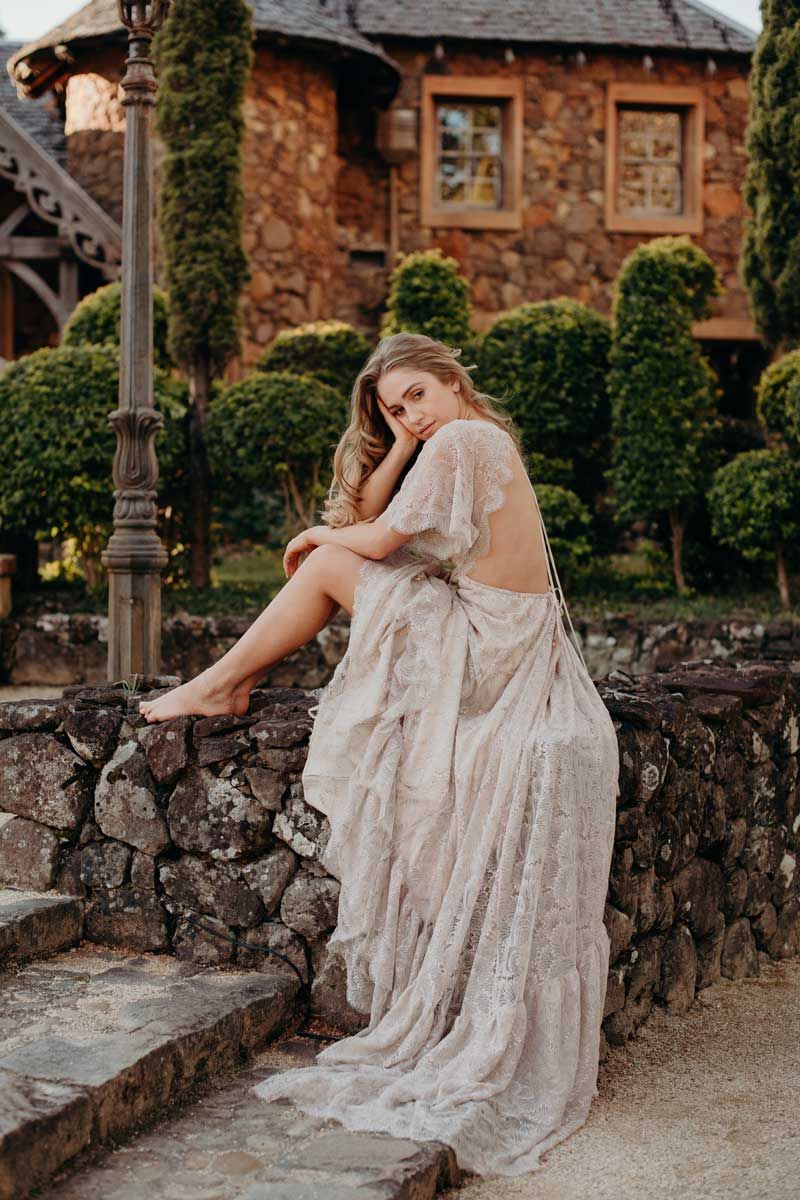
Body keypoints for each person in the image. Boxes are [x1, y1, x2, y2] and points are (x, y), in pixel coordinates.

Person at [139, 332, 619, 1178]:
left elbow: (364, 535)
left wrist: (314, 544)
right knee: (329, 554)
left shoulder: (468, 439)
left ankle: (216, 686)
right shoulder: (461, 443)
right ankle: (218, 684)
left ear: (453, 382)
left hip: (487, 652)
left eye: (416, 399)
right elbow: (368, 525)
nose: (410, 416)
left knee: (323, 560)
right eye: (394, 410)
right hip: (500, 644)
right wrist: (395, 449)